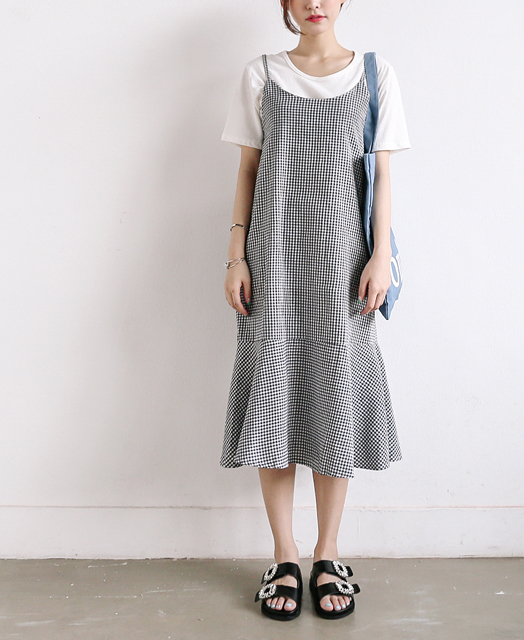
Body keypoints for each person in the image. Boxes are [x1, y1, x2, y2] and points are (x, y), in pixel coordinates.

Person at [219, 0, 410, 621]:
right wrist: (235, 257)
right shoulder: (260, 74)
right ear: (285, 4)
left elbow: (382, 176)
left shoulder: (376, 74)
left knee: (335, 399)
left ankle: (328, 553)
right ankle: (284, 556)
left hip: (344, 265)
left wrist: (380, 256)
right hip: (271, 258)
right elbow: (248, 170)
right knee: (272, 401)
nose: (315, 3)